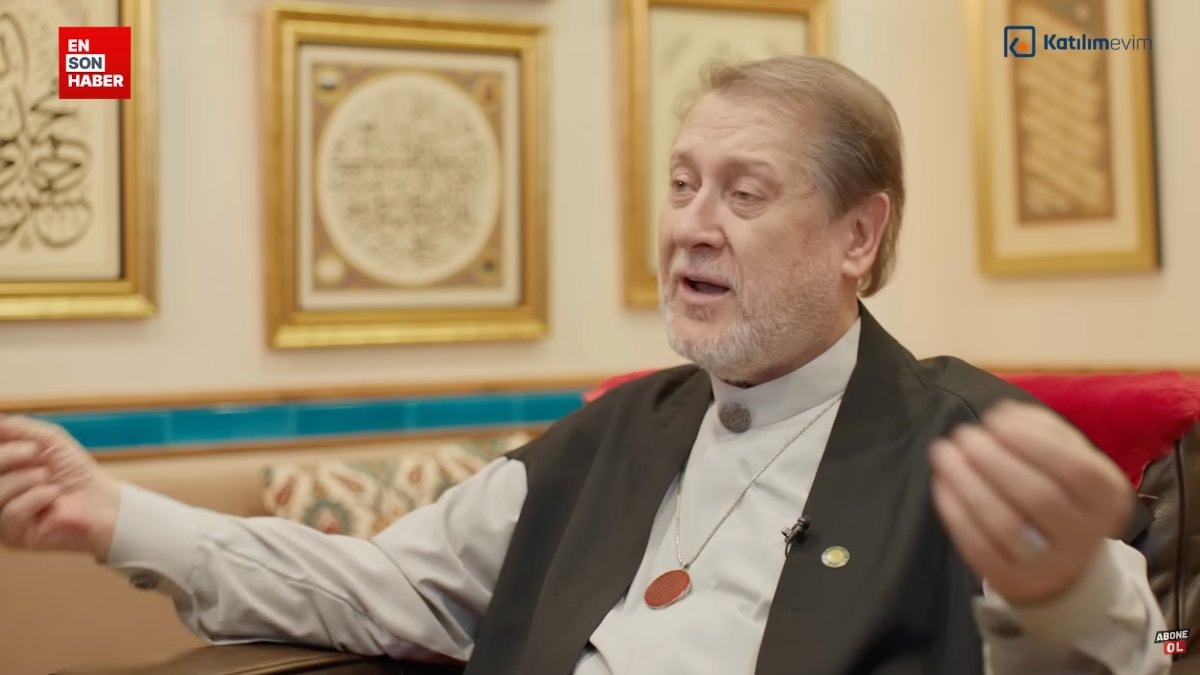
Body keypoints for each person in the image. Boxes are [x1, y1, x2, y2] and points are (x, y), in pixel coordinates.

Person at [0, 55, 1168, 675]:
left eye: (744, 193)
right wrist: (113, 513)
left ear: (858, 237)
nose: (690, 226)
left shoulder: (968, 443)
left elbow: (1131, 653)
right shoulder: (617, 433)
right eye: (681, 184)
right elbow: (378, 586)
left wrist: (1063, 589)